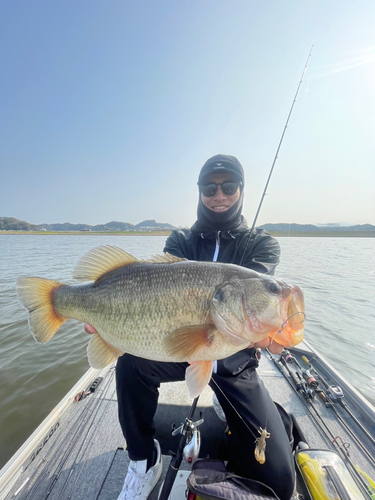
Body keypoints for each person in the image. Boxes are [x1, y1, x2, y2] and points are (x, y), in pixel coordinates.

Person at [85, 154, 295, 500]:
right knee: (129, 364)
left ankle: (256, 421)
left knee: (278, 481)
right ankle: (144, 458)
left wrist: (274, 329)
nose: (219, 195)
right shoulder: (180, 239)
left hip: (234, 358)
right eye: (209, 187)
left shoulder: (261, 244)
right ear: (199, 191)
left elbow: (259, 304)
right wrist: (113, 320)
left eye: (229, 186)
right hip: (184, 346)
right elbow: (153, 292)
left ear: (241, 190)